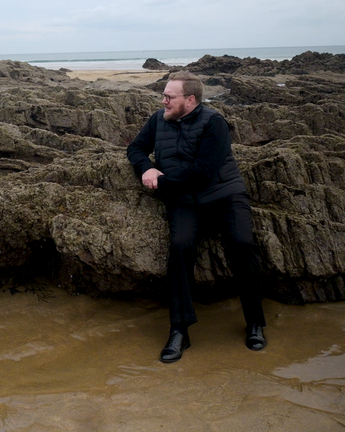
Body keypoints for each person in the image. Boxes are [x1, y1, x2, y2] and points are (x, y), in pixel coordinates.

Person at [127, 71, 267, 363]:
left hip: (224, 195)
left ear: (190, 100)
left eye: (169, 96)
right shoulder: (158, 120)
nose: (163, 100)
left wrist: (161, 183)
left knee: (241, 244)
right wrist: (146, 169)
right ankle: (179, 330)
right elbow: (136, 148)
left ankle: (255, 322)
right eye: (164, 95)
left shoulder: (214, 123)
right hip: (185, 201)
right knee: (180, 248)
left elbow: (203, 173)